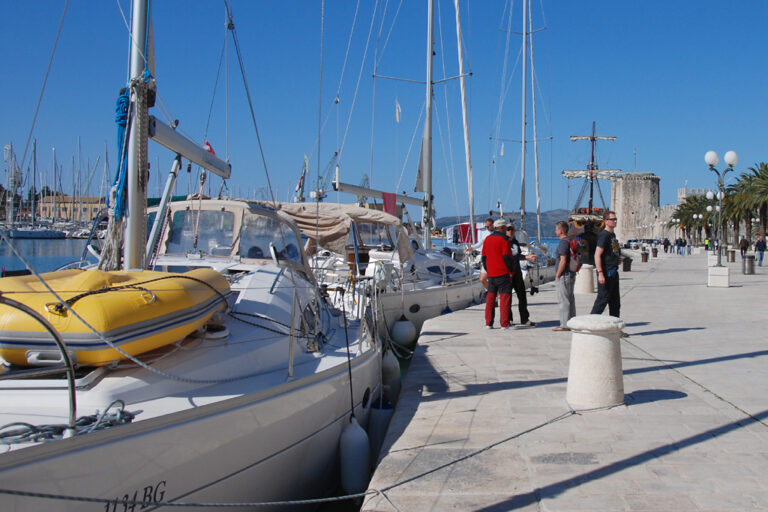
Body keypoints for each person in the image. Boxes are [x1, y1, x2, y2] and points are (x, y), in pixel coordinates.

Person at [481, 219, 515, 329]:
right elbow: (507, 257)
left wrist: (488, 270)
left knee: (490, 298)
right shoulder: (504, 240)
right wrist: (511, 272)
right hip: (502, 272)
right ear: (501, 228)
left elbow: (484, 257)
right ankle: (504, 324)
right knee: (504, 299)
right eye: (505, 228)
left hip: (491, 274)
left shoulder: (487, 239)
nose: (506, 230)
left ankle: (488, 323)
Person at [591, 211, 621, 318]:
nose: (615, 221)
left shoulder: (612, 235)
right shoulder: (604, 235)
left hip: (614, 271)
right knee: (602, 300)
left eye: (615, 219)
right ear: (606, 221)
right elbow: (597, 255)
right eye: (612, 219)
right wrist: (600, 273)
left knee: (615, 302)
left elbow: (613, 251)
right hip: (606, 272)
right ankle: (591, 321)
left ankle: (615, 324)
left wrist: (617, 259)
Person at [505, 224, 536, 327]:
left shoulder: (515, 242)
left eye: (512, 230)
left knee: (522, 296)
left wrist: (528, 257)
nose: (510, 231)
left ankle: (524, 318)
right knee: (508, 297)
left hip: (517, 272)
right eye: (508, 230)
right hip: (507, 274)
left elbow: (518, 256)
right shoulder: (503, 242)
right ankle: (508, 319)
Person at [553, 221, 576, 331]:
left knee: (563, 300)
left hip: (564, 274)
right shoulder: (570, 240)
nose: (555, 231)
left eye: (556, 229)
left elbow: (563, 260)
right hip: (571, 273)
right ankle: (572, 322)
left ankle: (564, 324)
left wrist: (558, 274)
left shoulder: (563, 243)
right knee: (570, 299)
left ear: (561, 231)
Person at [468, 218, 494, 290]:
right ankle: (491, 292)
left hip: (494, 259)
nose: (487, 228)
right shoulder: (486, 233)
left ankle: (494, 294)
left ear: (493, 225)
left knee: (493, 279)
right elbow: (479, 243)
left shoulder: (497, 234)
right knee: (482, 279)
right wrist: (471, 248)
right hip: (486, 258)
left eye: (488, 226)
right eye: (486, 226)